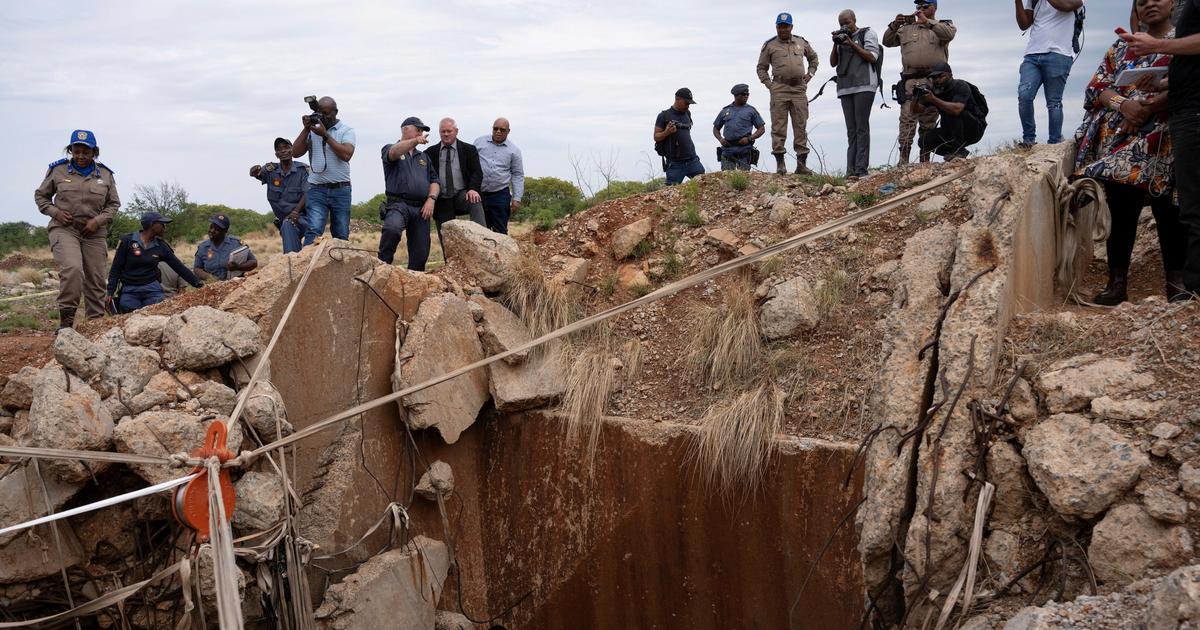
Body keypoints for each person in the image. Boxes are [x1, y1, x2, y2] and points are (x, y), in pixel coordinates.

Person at [1088, 0, 1186, 304]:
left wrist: (1149, 107)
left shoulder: (1182, 42)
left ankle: (1176, 283)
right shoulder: (1121, 47)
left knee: (1169, 211)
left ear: (1173, 4)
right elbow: (1097, 88)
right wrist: (1125, 105)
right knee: (1121, 209)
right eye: (1141, 1)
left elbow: (1190, 83)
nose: (1150, 4)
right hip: (1122, 139)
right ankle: (1116, 284)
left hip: (1166, 138)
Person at [1122, 0, 1200, 299]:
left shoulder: (1172, 36)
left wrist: (1158, 45)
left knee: (1192, 209)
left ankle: (1192, 296)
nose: (1149, 4)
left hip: (1190, 116)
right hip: (1186, 111)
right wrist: (1160, 85)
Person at [34, 130, 119, 330]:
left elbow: (113, 204)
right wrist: (55, 212)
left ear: (94, 153)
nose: (80, 156)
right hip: (65, 229)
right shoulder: (58, 171)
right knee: (72, 270)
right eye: (76, 151)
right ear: (70, 150)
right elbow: (41, 197)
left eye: (85, 152)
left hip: (94, 232)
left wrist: (98, 221)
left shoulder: (105, 175)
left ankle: (95, 325)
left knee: (96, 279)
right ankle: (66, 325)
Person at [883, 0, 956, 165]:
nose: (920, 9)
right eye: (918, 7)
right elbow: (887, 42)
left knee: (929, 121)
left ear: (934, 7)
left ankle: (925, 159)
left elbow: (949, 35)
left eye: (925, 6)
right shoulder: (907, 29)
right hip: (911, 80)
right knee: (907, 119)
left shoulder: (942, 26)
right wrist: (894, 24)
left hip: (933, 80)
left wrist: (927, 22)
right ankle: (904, 159)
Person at [1014, 0, 1084, 148]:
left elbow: (1065, 6)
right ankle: (1028, 140)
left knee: (1054, 102)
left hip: (1059, 54)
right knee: (1024, 96)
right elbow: (1024, 24)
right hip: (1032, 54)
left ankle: (1054, 143)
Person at [757, 12, 820, 175]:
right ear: (776, 27)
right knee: (779, 126)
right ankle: (780, 165)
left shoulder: (801, 42)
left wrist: (810, 74)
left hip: (799, 88)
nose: (783, 29)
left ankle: (801, 165)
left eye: (786, 26)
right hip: (779, 88)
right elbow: (761, 68)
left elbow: (814, 58)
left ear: (791, 27)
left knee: (800, 125)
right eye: (780, 26)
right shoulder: (770, 45)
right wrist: (770, 85)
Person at [291, 96, 355, 245]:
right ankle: (308, 266)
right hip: (316, 189)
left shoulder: (346, 130)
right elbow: (295, 152)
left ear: (336, 112)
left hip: (341, 189)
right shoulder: (313, 131)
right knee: (313, 230)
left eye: (326, 113)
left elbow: (346, 155)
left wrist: (325, 135)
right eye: (320, 113)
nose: (323, 117)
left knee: (341, 233)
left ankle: (339, 266)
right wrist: (306, 128)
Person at [107, 212, 202, 313]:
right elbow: (115, 268)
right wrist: (110, 292)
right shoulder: (127, 241)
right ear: (152, 225)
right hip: (130, 289)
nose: (165, 228)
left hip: (152, 289)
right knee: (128, 311)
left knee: (155, 312)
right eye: (162, 224)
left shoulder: (161, 246)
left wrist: (199, 284)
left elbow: (180, 268)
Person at [379, 117, 439, 271]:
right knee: (392, 229)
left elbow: (435, 181)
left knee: (421, 250)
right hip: (398, 204)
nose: (421, 132)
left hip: (421, 208)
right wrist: (415, 141)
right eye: (417, 128)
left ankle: (415, 280)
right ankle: (381, 268)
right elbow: (394, 152)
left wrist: (431, 199)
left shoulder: (424, 157)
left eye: (422, 130)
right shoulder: (390, 148)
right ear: (405, 129)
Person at [831, 9, 882, 179]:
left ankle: (861, 169)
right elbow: (833, 63)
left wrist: (851, 43)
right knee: (851, 130)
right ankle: (850, 170)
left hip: (864, 85)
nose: (845, 26)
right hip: (845, 87)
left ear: (854, 20)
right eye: (842, 24)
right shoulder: (841, 38)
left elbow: (873, 57)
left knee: (861, 127)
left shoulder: (867, 33)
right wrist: (836, 42)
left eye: (848, 22)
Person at [424, 118, 486, 250]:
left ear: (456, 131)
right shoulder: (429, 153)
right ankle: (450, 264)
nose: (446, 134)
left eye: (449, 131)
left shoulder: (469, 149)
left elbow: (477, 172)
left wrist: (473, 189)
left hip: (461, 194)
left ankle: (483, 242)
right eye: (443, 131)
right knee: (447, 241)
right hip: (441, 199)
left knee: (475, 200)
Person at [914, 62, 987, 159]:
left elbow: (957, 110)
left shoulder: (960, 85)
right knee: (924, 141)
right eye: (934, 78)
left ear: (950, 75)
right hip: (951, 131)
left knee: (955, 113)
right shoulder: (935, 92)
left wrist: (933, 99)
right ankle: (953, 151)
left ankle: (958, 151)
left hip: (973, 129)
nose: (937, 80)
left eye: (941, 76)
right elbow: (916, 110)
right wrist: (916, 97)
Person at [250, 137, 309, 254]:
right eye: (279, 149)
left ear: (292, 150)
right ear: (276, 154)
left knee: (311, 247)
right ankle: (293, 264)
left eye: (286, 148)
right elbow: (257, 173)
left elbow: (308, 193)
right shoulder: (271, 170)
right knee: (287, 228)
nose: (283, 151)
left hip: (304, 218)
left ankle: (295, 261)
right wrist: (254, 171)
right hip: (285, 221)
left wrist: (296, 212)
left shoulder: (303, 170)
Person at [474, 118, 524, 234]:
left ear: (508, 131)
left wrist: (517, 198)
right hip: (479, 194)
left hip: (500, 194)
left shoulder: (514, 151)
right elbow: (470, 165)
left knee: (500, 231)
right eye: (495, 128)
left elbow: (517, 174)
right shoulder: (479, 142)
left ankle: (500, 252)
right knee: (480, 231)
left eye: (502, 129)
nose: (498, 132)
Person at [654, 88, 706, 185]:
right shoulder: (664, 116)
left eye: (689, 103)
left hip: (692, 160)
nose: (688, 106)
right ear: (678, 99)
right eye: (686, 103)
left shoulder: (687, 113)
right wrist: (667, 132)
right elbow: (656, 137)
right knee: (672, 193)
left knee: (704, 185)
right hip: (675, 164)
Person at [712, 84, 767, 171]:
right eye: (743, 94)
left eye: (747, 94)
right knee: (727, 176)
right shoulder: (725, 110)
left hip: (744, 149)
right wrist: (720, 139)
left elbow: (761, 128)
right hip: (728, 149)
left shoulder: (751, 110)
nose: (746, 96)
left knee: (744, 177)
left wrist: (749, 138)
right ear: (736, 95)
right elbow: (716, 128)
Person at [193, 214, 258, 281]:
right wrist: (212, 279)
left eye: (217, 229)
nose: (212, 231)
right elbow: (197, 268)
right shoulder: (203, 247)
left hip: (235, 285)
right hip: (212, 286)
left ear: (225, 231)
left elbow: (253, 262)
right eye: (211, 227)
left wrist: (238, 267)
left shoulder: (236, 244)